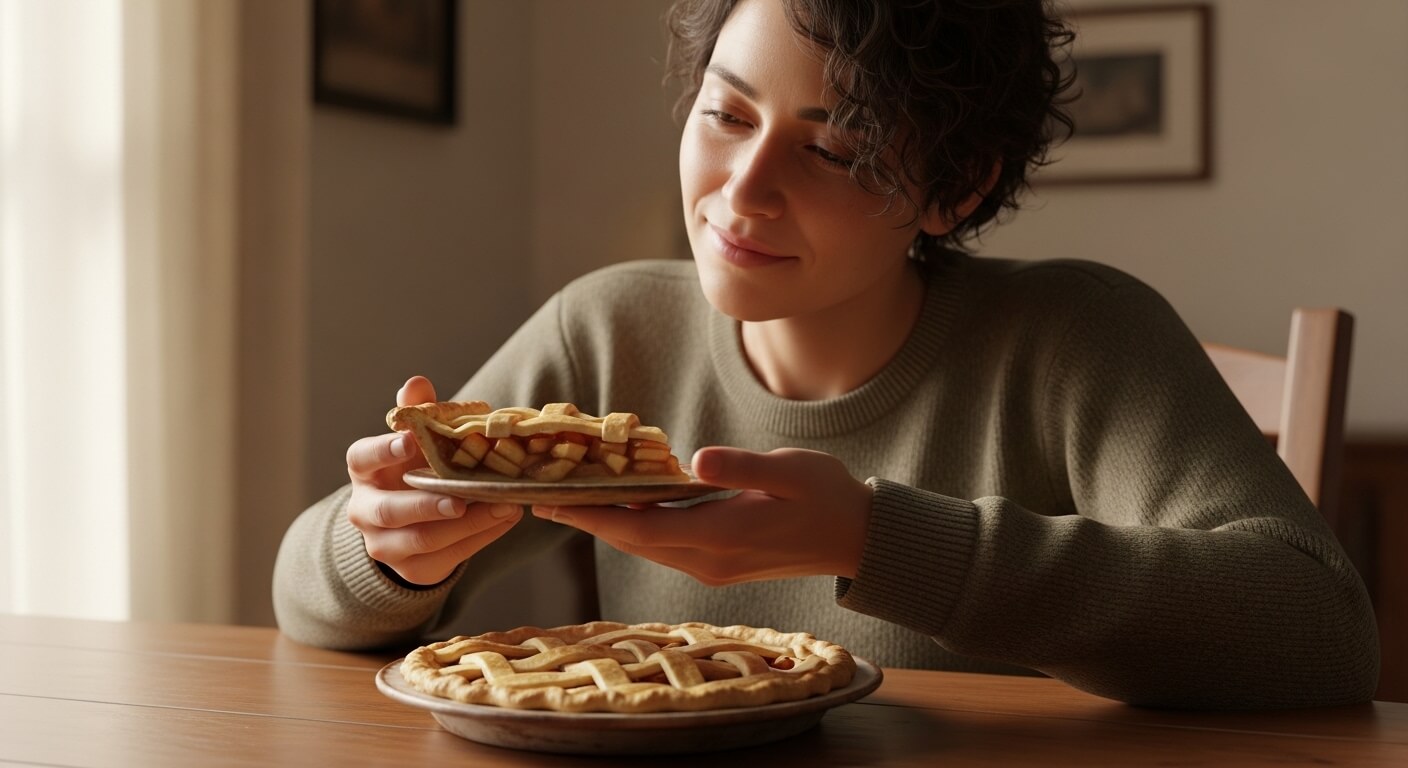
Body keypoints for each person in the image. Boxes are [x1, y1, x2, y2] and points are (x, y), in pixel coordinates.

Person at [273, 0, 1379, 709]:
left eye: (835, 151)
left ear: (955, 189)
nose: (741, 192)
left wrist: (872, 535)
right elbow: (306, 595)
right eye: (724, 113)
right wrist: (392, 555)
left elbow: (1318, 630)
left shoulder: (1076, 341)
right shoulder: (607, 330)